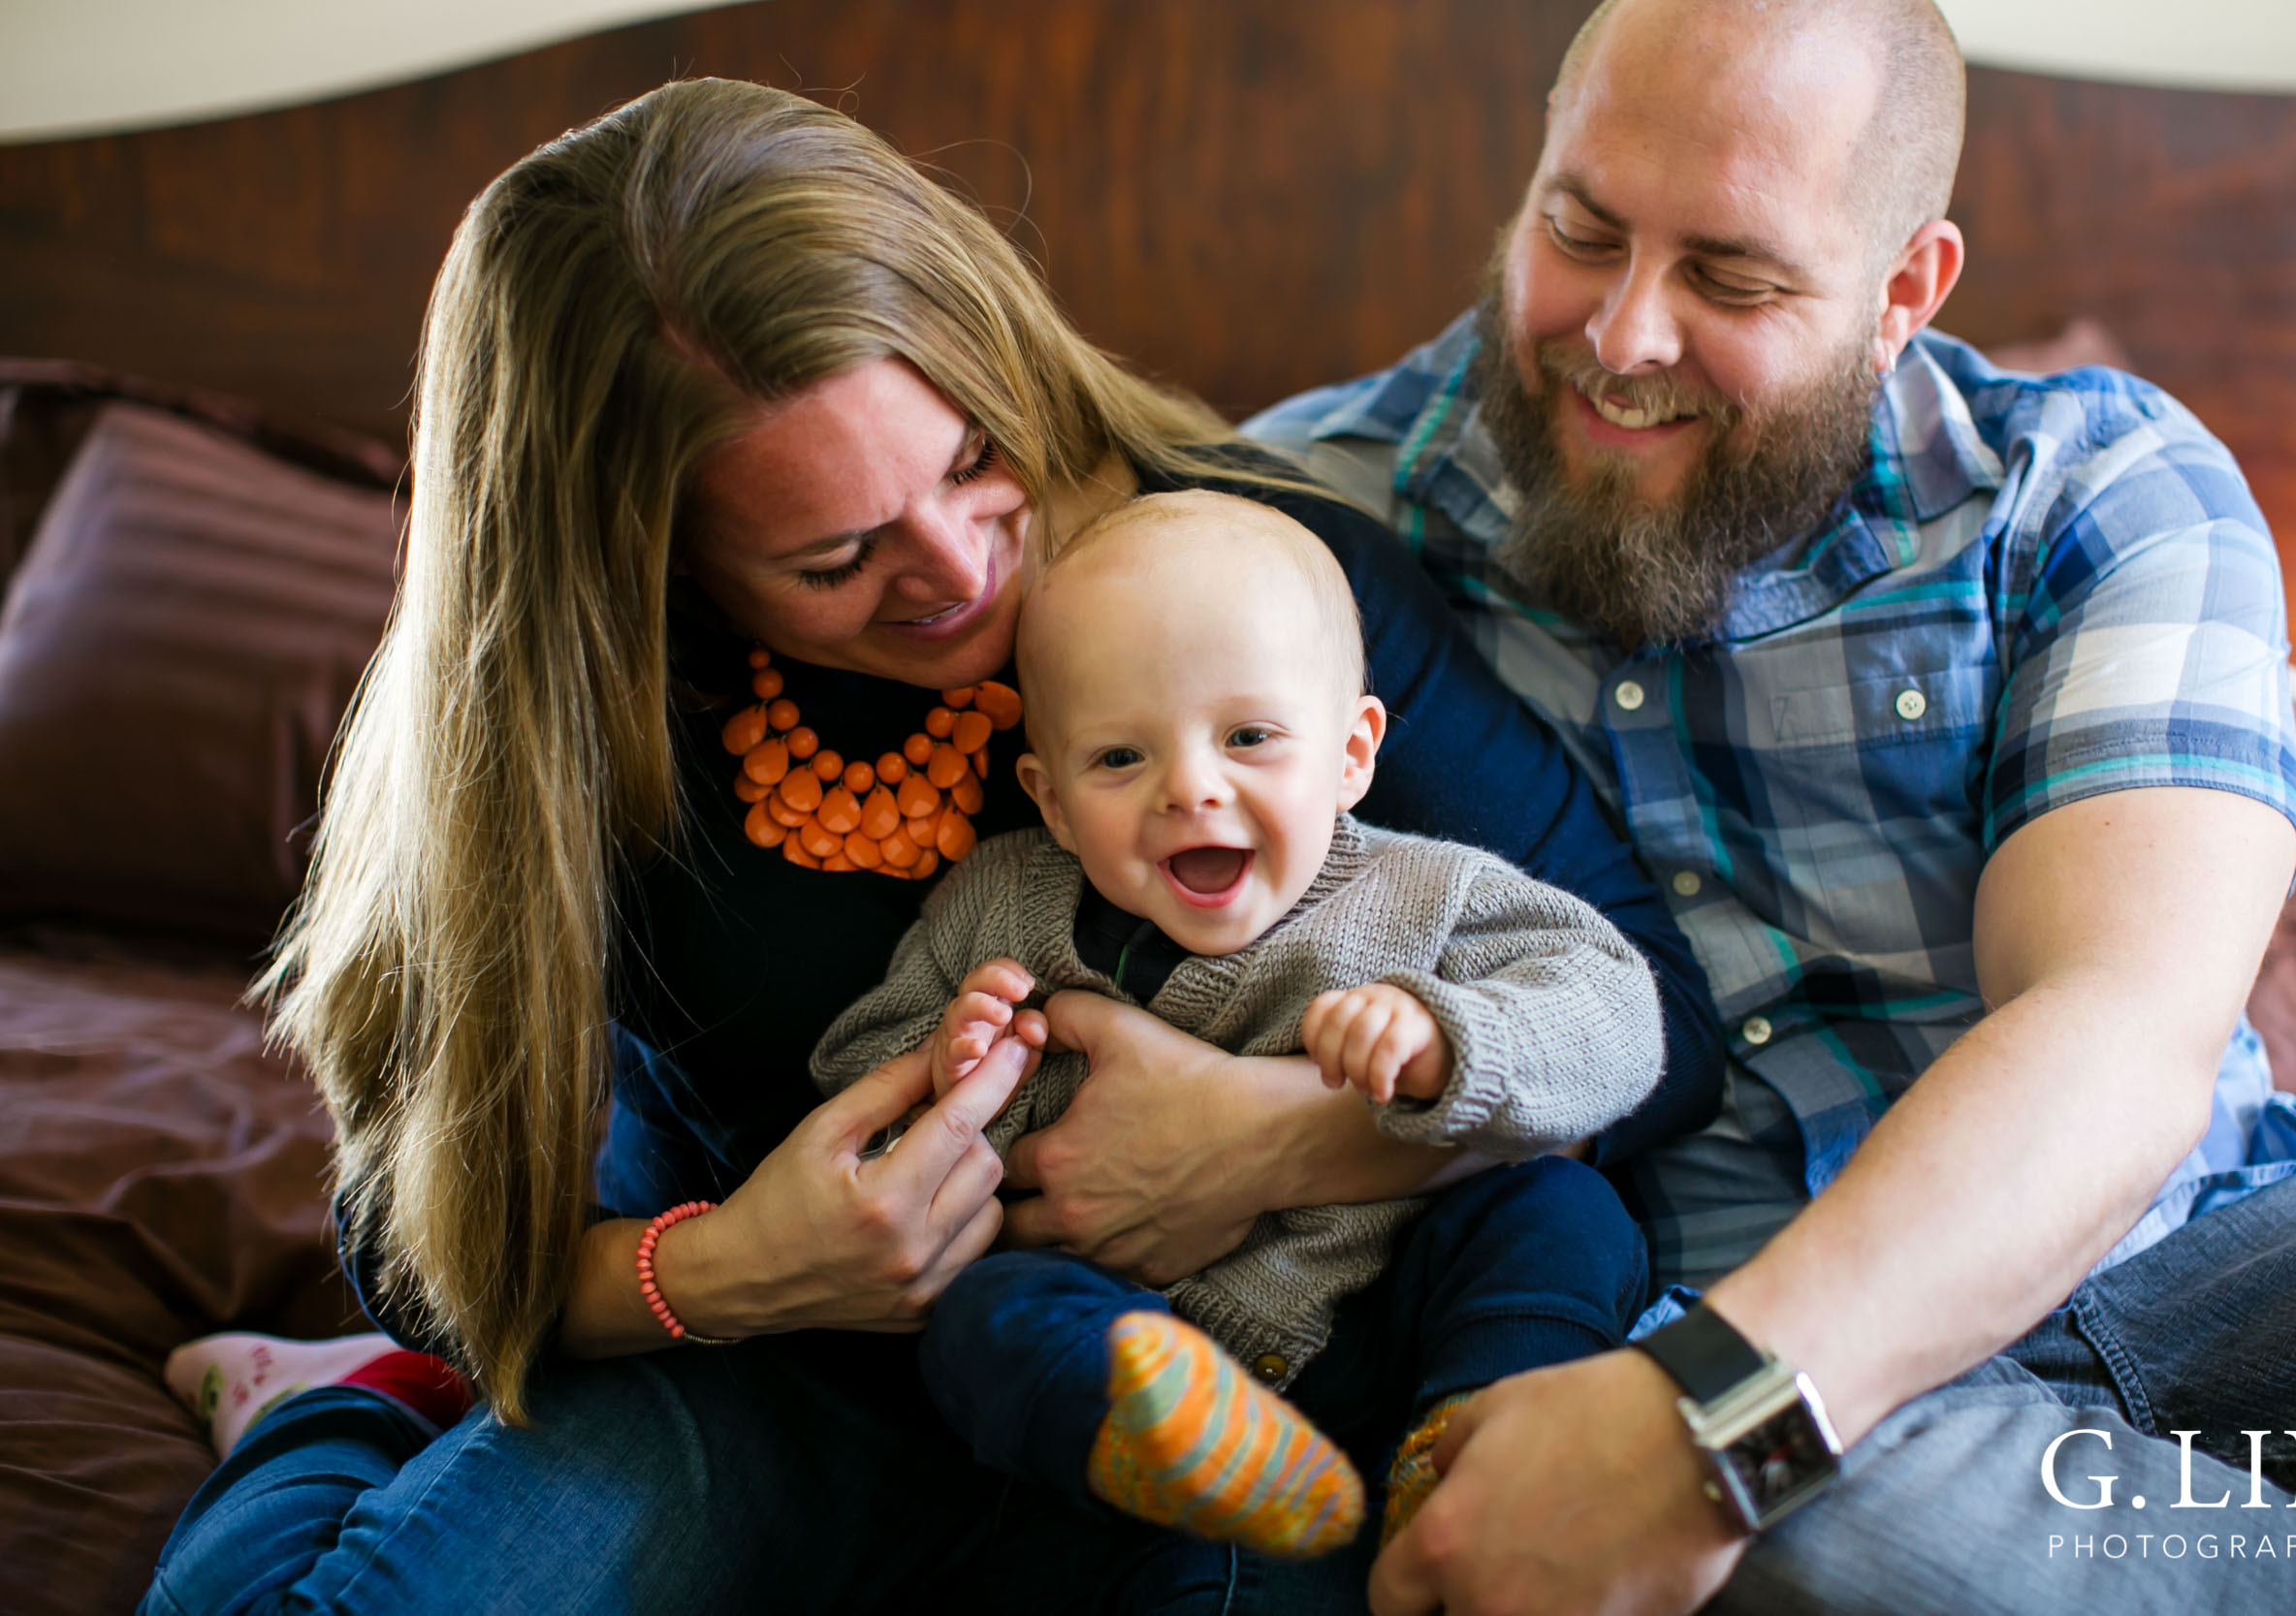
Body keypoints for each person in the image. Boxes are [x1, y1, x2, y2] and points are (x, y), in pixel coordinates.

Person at [140, 77, 1721, 1614]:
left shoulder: (1238, 589)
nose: (961, 569)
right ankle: (331, 1416)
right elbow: (425, 1234)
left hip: (1268, 1379)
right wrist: (736, 1266)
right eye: (836, 556)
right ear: (656, 567)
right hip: (801, 1376)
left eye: (975, 461)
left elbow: (1657, 1020)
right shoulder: (585, 724)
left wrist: (1267, 1135)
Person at [1245, 0, 2296, 1610]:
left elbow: (2120, 1028)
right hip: (1739, 1356)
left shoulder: (2095, 490)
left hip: (2215, 1265)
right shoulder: (1296, 530)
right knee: (1840, 1542)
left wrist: (1721, 1428)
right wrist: (1721, 1427)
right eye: (1580, 229)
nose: (1623, 336)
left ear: (1905, 293)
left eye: (1731, 278)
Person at [812, 489, 1694, 1564]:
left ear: (1352, 752)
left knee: (1559, 1204)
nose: (1191, 787)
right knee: (984, 1315)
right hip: (1150, 1341)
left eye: (1250, 735)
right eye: (1119, 758)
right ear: (1047, 798)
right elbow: (853, 1083)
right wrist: (948, 1068)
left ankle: (1485, 1431)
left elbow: (1622, 1012)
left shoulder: (1429, 894)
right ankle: (1154, 1445)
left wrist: (1447, 1037)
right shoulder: (996, 910)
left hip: (1400, 1303)